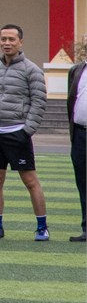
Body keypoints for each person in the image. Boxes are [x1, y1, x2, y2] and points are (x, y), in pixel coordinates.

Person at [0, 24, 48, 241]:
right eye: (3, 39)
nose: (7, 43)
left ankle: (42, 227)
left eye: (11, 39)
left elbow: (39, 102)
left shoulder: (31, 70)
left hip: (17, 132)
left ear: (20, 42)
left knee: (30, 180)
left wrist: (27, 130)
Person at [66, 55, 85, 243]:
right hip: (80, 134)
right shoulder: (77, 70)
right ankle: (86, 228)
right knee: (83, 182)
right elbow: (71, 100)